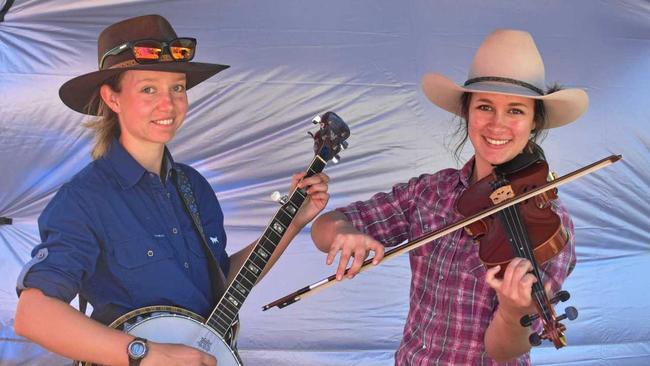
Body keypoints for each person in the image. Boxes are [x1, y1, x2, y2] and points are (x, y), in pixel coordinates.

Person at [14, 14, 330, 366]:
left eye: (177, 88)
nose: (168, 105)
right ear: (112, 98)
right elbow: (33, 315)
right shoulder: (85, 199)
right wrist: (144, 353)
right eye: (148, 89)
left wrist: (293, 221)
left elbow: (221, 285)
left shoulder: (194, 187)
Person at [311, 29, 588, 365]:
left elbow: (505, 351)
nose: (497, 125)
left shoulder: (549, 222)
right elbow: (325, 227)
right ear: (467, 113)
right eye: (485, 106)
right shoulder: (429, 192)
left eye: (515, 111)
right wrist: (343, 233)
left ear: (534, 122)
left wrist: (514, 310)